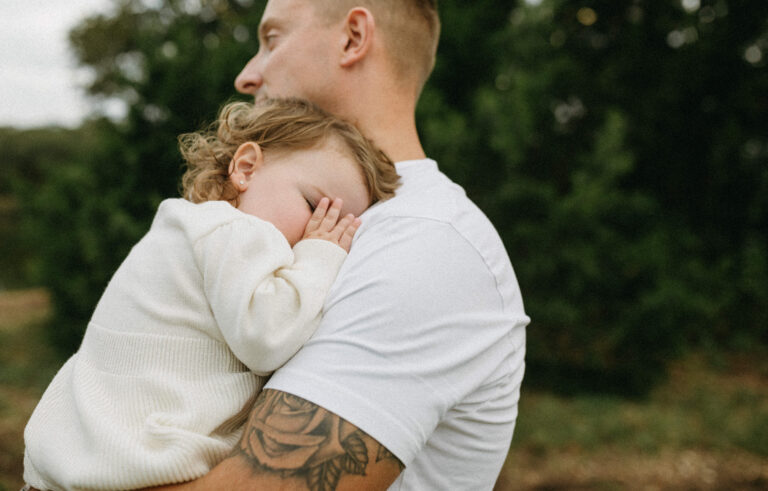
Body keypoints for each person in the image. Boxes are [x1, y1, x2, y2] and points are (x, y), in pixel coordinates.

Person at [150, 1, 530, 490]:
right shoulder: (287, 209)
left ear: (353, 37)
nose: (247, 76)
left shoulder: (425, 245)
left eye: (272, 39)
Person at [21, 98, 400, 491]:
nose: (320, 228)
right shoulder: (233, 230)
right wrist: (322, 255)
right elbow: (267, 338)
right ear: (246, 168)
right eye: (312, 205)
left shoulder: (190, 228)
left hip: (77, 458)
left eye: (341, 226)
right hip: (128, 465)